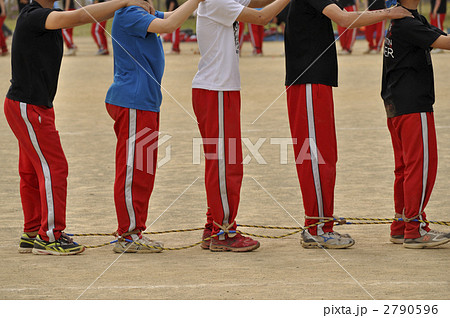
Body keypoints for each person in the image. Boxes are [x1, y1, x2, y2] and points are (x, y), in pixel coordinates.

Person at [3, 0, 152, 256]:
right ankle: (50, 236)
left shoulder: (44, 14)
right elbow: (80, 17)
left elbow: (75, 15)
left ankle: (32, 231)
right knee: (54, 168)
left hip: (30, 105)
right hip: (29, 106)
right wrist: (124, 1)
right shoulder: (34, 16)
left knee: (31, 170)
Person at [284, 1, 412, 249]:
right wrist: (388, 13)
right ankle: (317, 227)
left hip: (317, 82)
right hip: (309, 82)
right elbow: (343, 19)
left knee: (326, 156)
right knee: (316, 157)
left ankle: (321, 222)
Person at [105, 0, 202, 253]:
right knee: (133, 169)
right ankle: (127, 234)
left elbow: (170, 15)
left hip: (145, 101)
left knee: (143, 170)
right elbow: (170, 25)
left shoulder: (140, 11)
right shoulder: (128, 14)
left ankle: (134, 229)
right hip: (133, 100)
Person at [192, 0, 290, 252]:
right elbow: (261, 17)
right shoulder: (217, 1)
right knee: (226, 165)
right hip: (217, 89)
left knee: (222, 163)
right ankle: (224, 231)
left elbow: (258, 1)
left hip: (220, 89)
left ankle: (213, 225)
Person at [381, 0, 450, 248]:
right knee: (421, 167)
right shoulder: (406, 24)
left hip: (397, 104)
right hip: (412, 105)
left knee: (405, 168)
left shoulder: (409, 20)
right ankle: (414, 228)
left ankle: (401, 224)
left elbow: (439, 35)